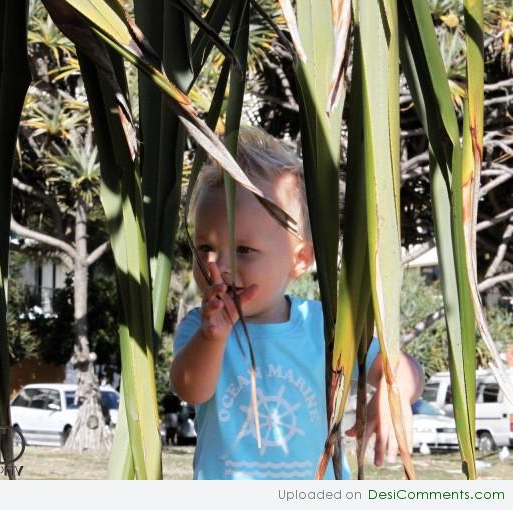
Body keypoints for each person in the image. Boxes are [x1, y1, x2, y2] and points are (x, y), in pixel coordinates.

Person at [170, 127, 424, 480]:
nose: (219, 265)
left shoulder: (325, 326)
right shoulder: (199, 326)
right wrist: (212, 337)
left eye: (243, 249)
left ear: (299, 260)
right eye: (205, 248)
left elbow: (407, 368)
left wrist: (393, 389)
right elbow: (190, 388)